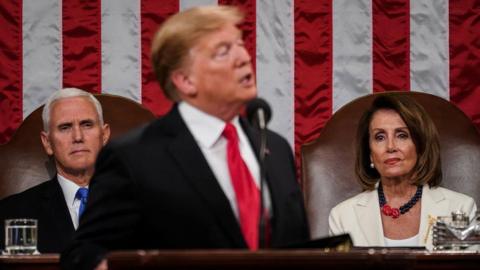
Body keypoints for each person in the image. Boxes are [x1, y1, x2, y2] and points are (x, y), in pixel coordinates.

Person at [61, 5, 309, 270]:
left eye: (240, 44)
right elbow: (83, 254)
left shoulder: (275, 147)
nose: (243, 57)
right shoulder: (135, 157)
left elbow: (298, 248)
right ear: (185, 81)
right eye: (223, 51)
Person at [328, 93, 477, 249]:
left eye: (402, 135)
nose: (391, 146)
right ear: (370, 153)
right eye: (380, 137)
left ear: (420, 146)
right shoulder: (342, 217)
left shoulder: (461, 209)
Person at [0, 88, 110, 253]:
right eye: (65, 127)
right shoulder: (9, 214)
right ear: (47, 143)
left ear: (104, 135)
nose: (78, 136)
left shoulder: (143, 204)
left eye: (87, 125)